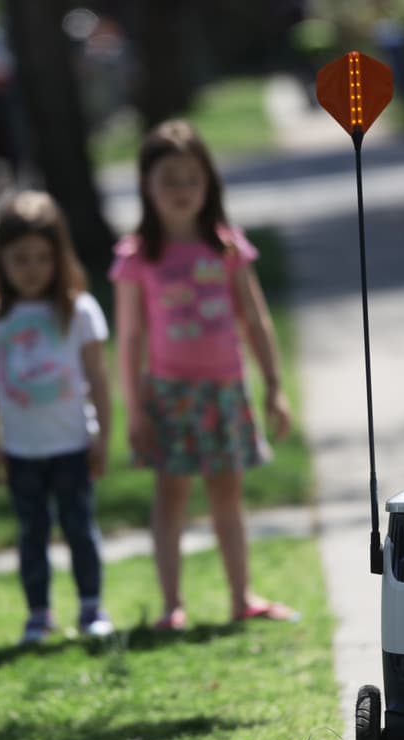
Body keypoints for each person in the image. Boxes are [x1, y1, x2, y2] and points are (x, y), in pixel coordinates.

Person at [110, 119, 297, 631]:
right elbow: (129, 338)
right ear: (146, 184)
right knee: (170, 495)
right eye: (168, 179)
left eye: (192, 179)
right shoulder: (137, 256)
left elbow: (255, 317)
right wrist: (134, 405)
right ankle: (172, 607)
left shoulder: (227, 246)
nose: (181, 191)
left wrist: (275, 386)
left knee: (226, 493)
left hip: (225, 389)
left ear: (209, 184)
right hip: (168, 394)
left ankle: (242, 596)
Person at [0, 192, 115, 645]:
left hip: (71, 445)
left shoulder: (79, 310)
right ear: (0, 260)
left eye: (42, 258)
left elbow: (98, 378)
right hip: (21, 450)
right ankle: (38, 614)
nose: (31, 268)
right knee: (32, 535)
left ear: (60, 257)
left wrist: (104, 436)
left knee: (79, 529)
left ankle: (91, 606)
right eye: (19, 258)